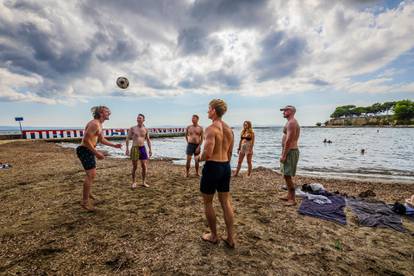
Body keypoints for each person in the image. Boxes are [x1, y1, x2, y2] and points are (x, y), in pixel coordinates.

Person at [196, 99, 235, 248]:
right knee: (225, 202)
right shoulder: (229, 129)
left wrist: (198, 159)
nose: (207, 111)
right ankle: (230, 238)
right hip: (225, 166)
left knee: (208, 202)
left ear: (213, 110)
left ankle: (213, 236)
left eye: (208, 109)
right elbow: (230, 151)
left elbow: (207, 153)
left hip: (213, 167)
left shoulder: (211, 129)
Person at [76, 106, 122, 211]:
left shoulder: (100, 124)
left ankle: (88, 193)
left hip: (88, 150)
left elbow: (101, 139)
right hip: (85, 150)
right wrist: (96, 153)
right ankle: (85, 202)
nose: (109, 113)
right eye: (107, 111)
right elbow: (86, 140)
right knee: (90, 175)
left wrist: (114, 145)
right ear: (101, 113)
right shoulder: (94, 124)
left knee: (91, 175)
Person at [279, 105, 300, 206]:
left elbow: (289, 141)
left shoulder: (292, 123)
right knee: (285, 175)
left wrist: (284, 155)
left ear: (290, 111)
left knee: (288, 176)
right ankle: (289, 195)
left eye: (284, 111)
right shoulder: (289, 122)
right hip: (288, 151)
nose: (283, 112)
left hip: (290, 151)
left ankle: (292, 199)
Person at [125, 114, 152, 188]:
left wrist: (150, 149)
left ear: (143, 120)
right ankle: (134, 182)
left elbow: (148, 140)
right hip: (135, 148)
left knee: (144, 166)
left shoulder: (146, 129)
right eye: (137, 118)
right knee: (135, 166)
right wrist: (127, 149)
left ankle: (143, 182)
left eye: (140, 118)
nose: (138, 119)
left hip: (142, 148)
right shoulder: (132, 128)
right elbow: (127, 138)